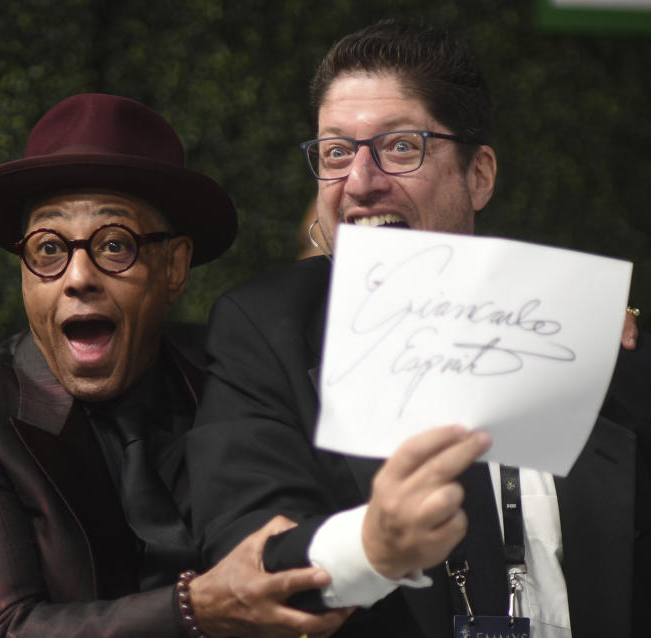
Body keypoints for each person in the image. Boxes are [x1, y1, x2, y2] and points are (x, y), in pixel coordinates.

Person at [187, 21, 649, 638]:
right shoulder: (265, 331)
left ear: (478, 176)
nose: (359, 180)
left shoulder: (589, 335)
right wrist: (373, 547)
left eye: (401, 146)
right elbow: (248, 555)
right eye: (335, 152)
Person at [0, 93, 351, 637]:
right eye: (47, 249)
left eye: (113, 245)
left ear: (175, 267)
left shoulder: (231, 375)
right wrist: (194, 609)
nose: (78, 276)